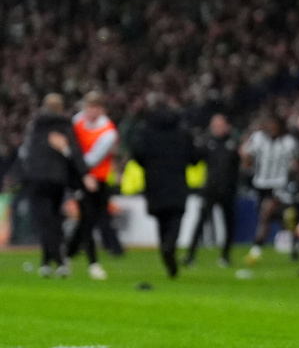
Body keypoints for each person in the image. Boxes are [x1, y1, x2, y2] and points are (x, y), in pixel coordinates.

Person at [18, 93, 96, 277]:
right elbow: (74, 152)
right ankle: (48, 262)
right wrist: (84, 174)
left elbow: (25, 152)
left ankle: (58, 261)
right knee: (53, 218)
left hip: (36, 178)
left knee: (46, 221)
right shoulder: (64, 125)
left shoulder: (35, 125)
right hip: (57, 179)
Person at [131, 93, 201, 278]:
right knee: (175, 217)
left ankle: (165, 247)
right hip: (177, 181)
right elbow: (194, 157)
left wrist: (150, 164)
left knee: (161, 219)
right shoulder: (182, 131)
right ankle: (170, 244)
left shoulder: (146, 131)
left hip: (154, 182)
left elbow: (137, 153)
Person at [66, 91, 119, 280]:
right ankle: (93, 263)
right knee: (88, 217)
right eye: (89, 107)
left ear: (102, 109)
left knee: (90, 219)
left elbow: (92, 159)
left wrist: (72, 157)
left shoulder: (108, 132)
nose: (91, 111)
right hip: (82, 179)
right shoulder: (77, 121)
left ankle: (68, 252)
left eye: (95, 107)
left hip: (99, 180)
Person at [241, 115, 299, 265]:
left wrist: (295, 176)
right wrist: (247, 163)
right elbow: (247, 156)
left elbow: (298, 162)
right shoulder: (258, 139)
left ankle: (256, 251)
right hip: (261, 185)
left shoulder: (288, 142)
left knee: (267, 214)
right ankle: (293, 247)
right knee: (273, 218)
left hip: (280, 185)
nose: (272, 129)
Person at [185, 113, 240, 267]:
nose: (218, 128)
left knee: (229, 224)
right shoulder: (208, 142)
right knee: (201, 222)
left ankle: (226, 255)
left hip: (228, 189)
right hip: (211, 189)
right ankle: (190, 255)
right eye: (216, 125)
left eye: (221, 125)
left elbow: (239, 165)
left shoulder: (232, 143)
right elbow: (194, 159)